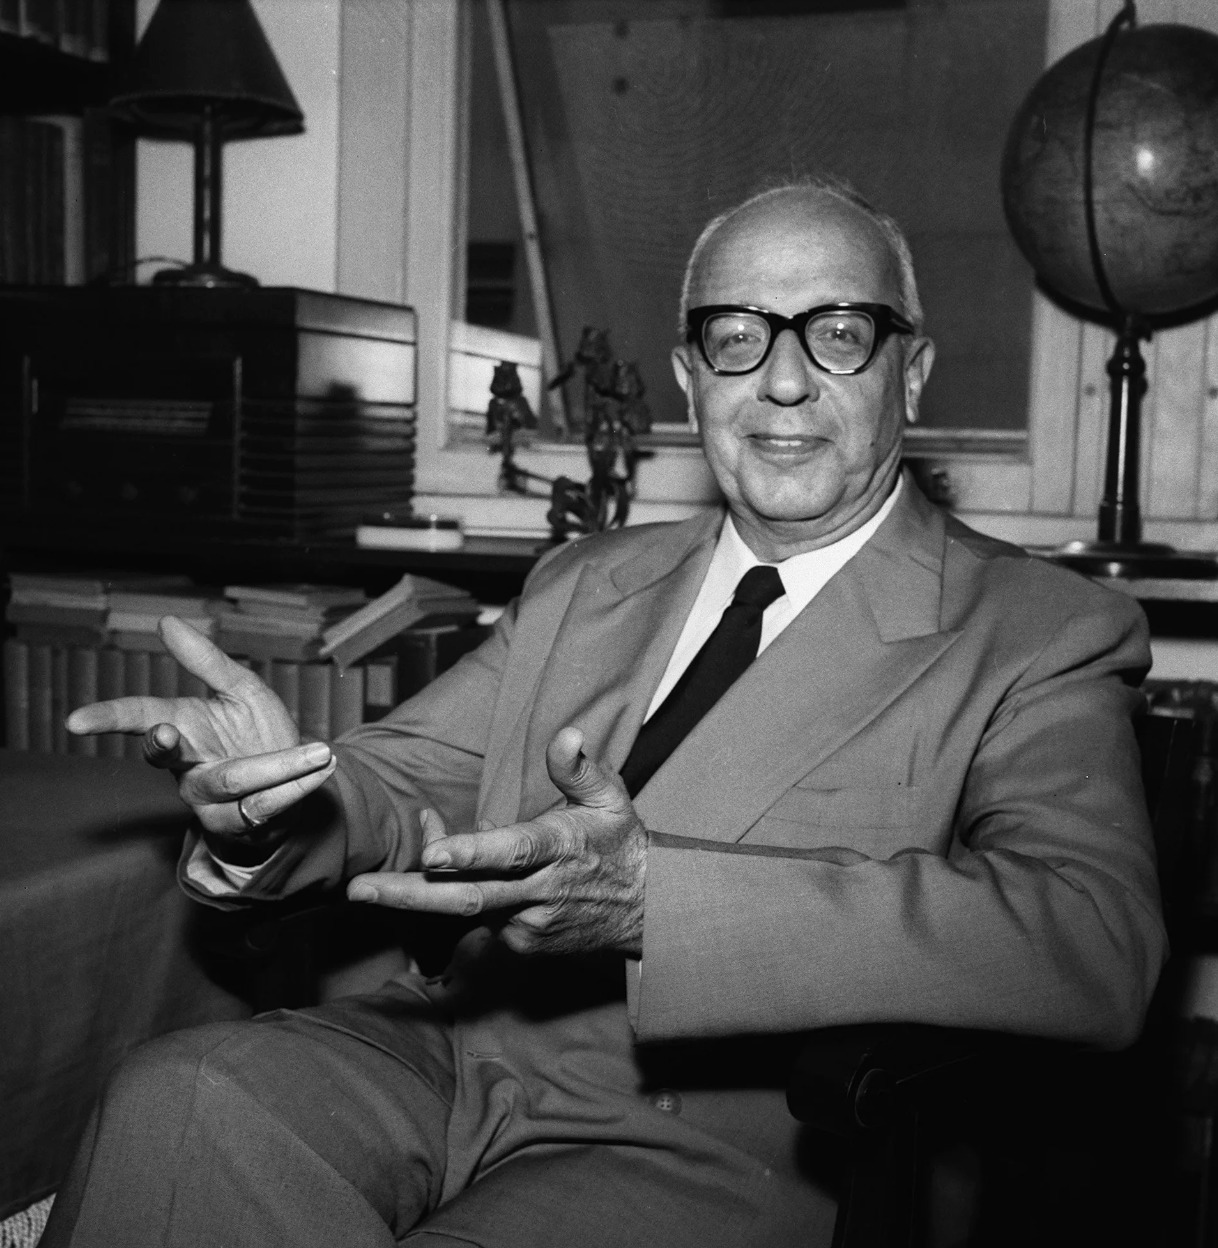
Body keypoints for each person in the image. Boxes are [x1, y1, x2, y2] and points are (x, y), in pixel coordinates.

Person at [42, 178, 1166, 1248]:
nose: (782, 381)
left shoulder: (1035, 629)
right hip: (454, 1044)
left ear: (910, 375)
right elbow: (414, 772)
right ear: (689, 378)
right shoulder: (587, 580)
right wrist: (283, 796)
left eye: (838, 333)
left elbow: (1092, 939)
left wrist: (657, 906)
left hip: (732, 1136)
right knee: (179, 1100)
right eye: (738, 335)